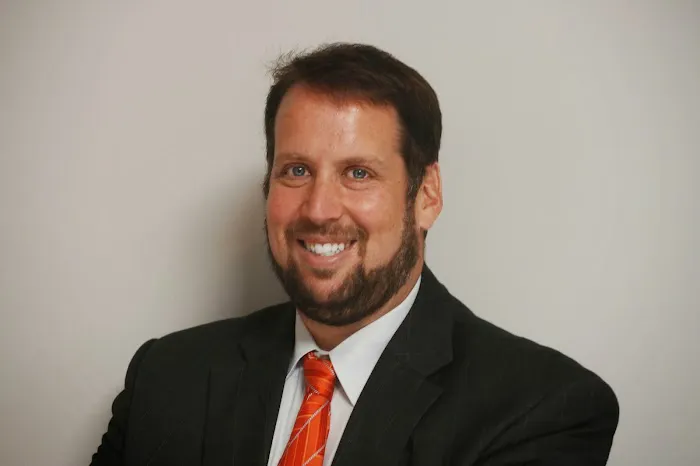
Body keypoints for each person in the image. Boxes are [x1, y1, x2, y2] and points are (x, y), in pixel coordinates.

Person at [91, 43, 619, 466]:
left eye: (358, 173)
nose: (319, 209)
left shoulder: (542, 409)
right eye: (297, 170)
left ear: (426, 195)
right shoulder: (166, 376)